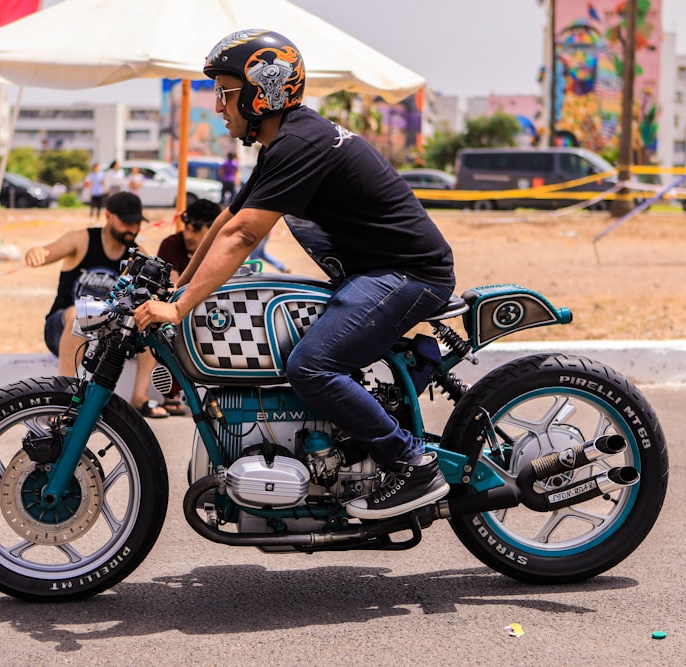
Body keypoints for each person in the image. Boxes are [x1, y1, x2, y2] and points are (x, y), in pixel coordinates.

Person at [132, 30, 456, 519]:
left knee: (311, 366)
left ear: (264, 91)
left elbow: (243, 237)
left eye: (225, 92)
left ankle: (411, 464)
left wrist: (179, 307)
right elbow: (225, 220)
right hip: (372, 274)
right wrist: (178, 288)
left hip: (408, 275)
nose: (218, 106)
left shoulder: (301, 142)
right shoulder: (285, 142)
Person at [25, 191, 159, 417]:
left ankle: (140, 396)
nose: (132, 229)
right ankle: (65, 396)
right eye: (126, 222)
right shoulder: (82, 240)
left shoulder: (137, 256)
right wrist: (35, 252)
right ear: (108, 216)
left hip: (107, 335)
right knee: (79, 313)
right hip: (62, 327)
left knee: (150, 319)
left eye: (137, 223)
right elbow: (47, 251)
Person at [139, 198, 224, 418]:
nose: (188, 234)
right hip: (180, 313)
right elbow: (174, 291)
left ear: (212, 228)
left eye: (195, 229)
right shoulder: (171, 244)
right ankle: (170, 393)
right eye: (186, 227)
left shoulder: (225, 249)